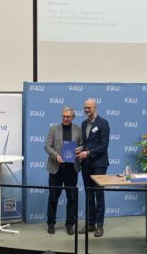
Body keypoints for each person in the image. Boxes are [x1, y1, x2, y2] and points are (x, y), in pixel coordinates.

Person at [44, 106, 83, 235]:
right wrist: (56, 156)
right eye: (63, 116)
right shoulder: (53, 129)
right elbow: (47, 146)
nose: (65, 119)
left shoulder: (78, 129)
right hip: (56, 168)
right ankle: (51, 223)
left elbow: (83, 145)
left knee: (71, 198)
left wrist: (79, 149)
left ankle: (70, 224)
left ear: (73, 117)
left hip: (72, 169)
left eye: (68, 117)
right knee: (53, 197)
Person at [77, 98, 110, 237]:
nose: (86, 110)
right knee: (89, 194)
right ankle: (90, 224)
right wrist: (79, 150)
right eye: (85, 108)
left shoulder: (103, 123)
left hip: (99, 164)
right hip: (86, 164)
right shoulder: (83, 124)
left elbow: (104, 145)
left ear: (95, 108)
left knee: (98, 194)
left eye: (89, 108)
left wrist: (88, 153)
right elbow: (85, 143)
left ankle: (100, 226)